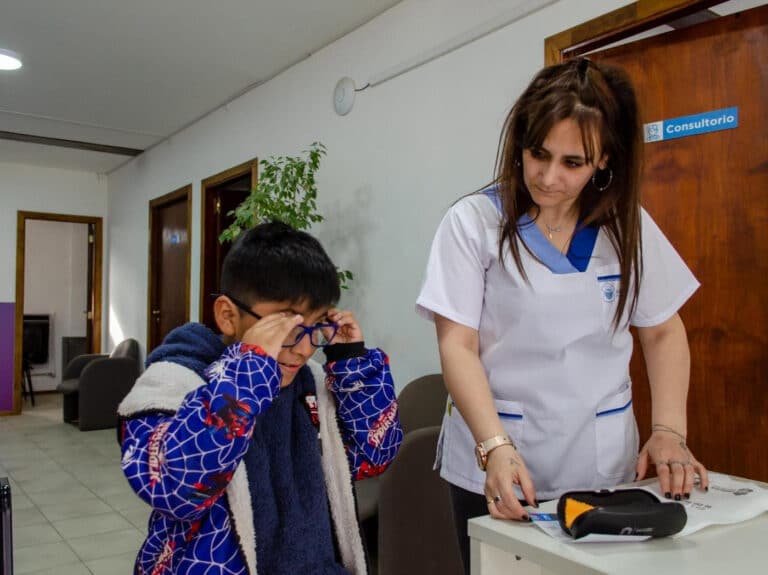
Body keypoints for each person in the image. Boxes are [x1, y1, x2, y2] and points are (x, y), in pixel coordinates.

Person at [416, 57, 709, 571]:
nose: (549, 177)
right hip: (497, 453)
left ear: (604, 161)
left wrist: (669, 429)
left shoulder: (626, 227)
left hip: (601, 460)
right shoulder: (473, 224)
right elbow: (458, 344)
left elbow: (662, 331)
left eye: (573, 163)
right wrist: (494, 446)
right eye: (538, 154)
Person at [118, 221, 402, 575]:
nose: (301, 349)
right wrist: (249, 373)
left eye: (315, 329)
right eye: (286, 328)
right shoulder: (172, 383)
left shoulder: (311, 384)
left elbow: (373, 457)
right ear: (227, 315)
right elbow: (175, 488)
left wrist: (352, 366)